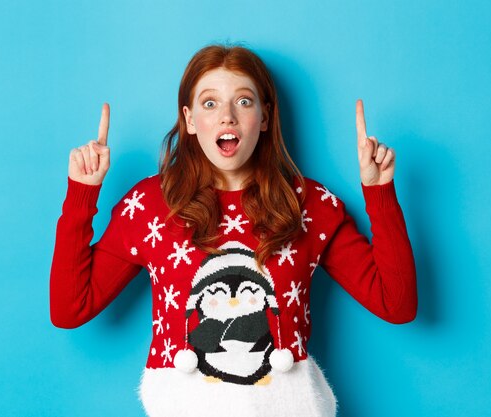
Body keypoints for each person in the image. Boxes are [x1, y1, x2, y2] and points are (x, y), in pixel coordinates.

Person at [50, 44, 417, 417]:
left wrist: (379, 191)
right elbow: (69, 309)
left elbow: (396, 303)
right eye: (210, 103)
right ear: (190, 120)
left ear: (264, 116)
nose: (227, 116)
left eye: (243, 101)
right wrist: (82, 193)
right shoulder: (148, 206)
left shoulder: (309, 204)